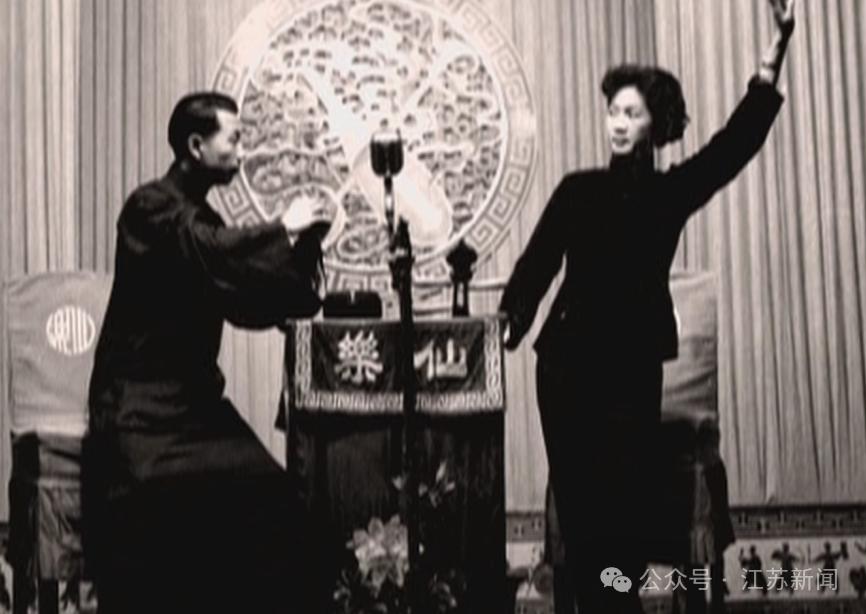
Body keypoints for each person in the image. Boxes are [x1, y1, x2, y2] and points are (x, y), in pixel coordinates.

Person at [498, 1, 795, 612]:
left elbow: (734, 145)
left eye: (631, 113)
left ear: (655, 123)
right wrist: (512, 317)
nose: (617, 122)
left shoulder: (669, 193)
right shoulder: (578, 190)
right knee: (582, 516)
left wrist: (776, 53)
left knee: (619, 518)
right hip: (565, 371)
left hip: (629, 373)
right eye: (613, 111)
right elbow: (537, 262)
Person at [83, 92, 334, 613]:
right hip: (138, 415)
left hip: (195, 412)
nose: (242, 150)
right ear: (196, 146)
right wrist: (281, 228)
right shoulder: (149, 209)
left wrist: (304, 247)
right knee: (178, 516)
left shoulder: (205, 221)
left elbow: (245, 297)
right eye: (234, 139)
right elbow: (207, 249)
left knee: (279, 505)